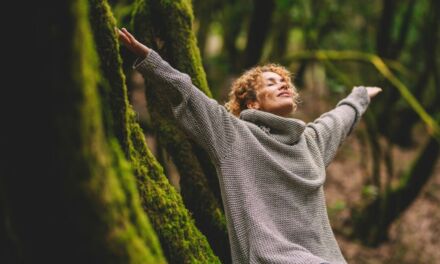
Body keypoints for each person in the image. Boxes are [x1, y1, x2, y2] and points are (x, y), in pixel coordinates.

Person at [117, 27, 382, 264]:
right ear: (252, 103)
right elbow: (187, 94)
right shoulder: (233, 136)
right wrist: (149, 59)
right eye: (273, 82)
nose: (284, 85)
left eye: (286, 83)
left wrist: (360, 97)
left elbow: (338, 120)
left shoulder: (311, 142)